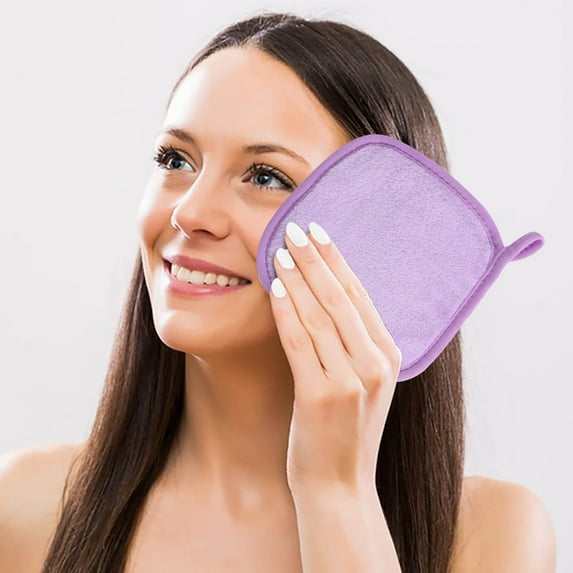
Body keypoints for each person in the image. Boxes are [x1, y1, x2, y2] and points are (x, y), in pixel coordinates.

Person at [0, 12, 556, 573]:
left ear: (387, 241)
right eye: (176, 160)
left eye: (266, 176)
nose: (190, 212)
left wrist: (336, 493)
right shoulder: (24, 508)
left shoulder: (492, 536)